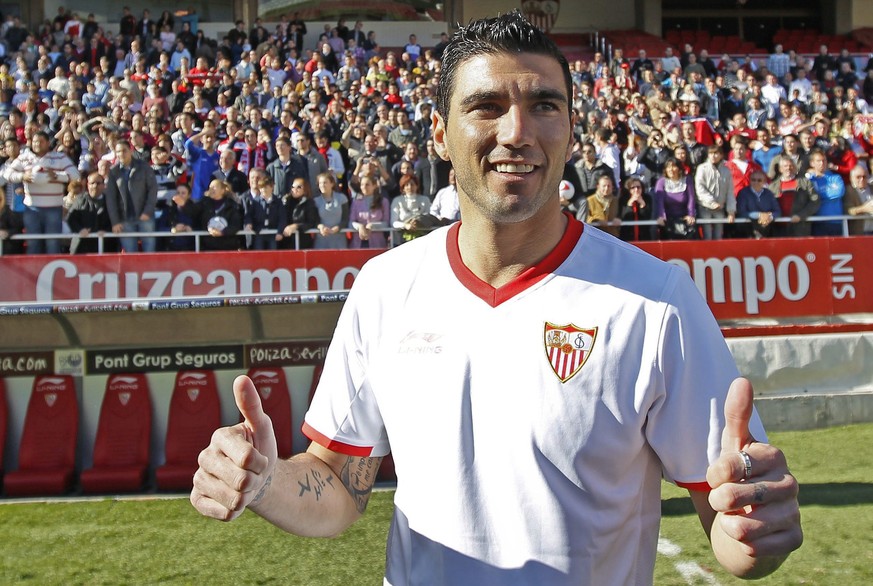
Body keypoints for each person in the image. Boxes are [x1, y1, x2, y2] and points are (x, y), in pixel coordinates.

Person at [191, 12, 802, 585]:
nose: (518, 132)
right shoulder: (385, 286)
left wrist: (751, 532)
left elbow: (725, 518)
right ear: (438, 134)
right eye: (486, 106)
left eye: (544, 106)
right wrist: (265, 481)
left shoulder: (656, 299)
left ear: (569, 128)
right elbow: (338, 482)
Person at [3, 130, 80, 254]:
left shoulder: (59, 157)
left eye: (40, 142)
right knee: (33, 243)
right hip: (32, 209)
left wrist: (56, 176)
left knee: (53, 244)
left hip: (54, 209)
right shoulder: (24, 157)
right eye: (35, 142)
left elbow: (76, 175)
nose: (37, 144)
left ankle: (53, 272)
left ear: (48, 143)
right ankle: (33, 272)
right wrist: (22, 176)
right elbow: (7, 174)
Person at [104, 141, 159, 253]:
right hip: (125, 219)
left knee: (149, 253)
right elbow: (111, 198)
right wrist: (115, 221)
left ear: (131, 151)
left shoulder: (144, 167)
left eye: (124, 150)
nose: (121, 154)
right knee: (130, 255)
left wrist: (147, 211)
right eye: (118, 151)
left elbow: (152, 190)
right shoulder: (114, 171)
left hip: (145, 217)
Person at [66, 172, 118, 254]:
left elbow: (116, 220)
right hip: (81, 247)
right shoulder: (79, 200)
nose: (95, 186)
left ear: (104, 185)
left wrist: (107, 231)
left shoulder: (111, 201)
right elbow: (71, 218)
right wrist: (80, 230)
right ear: (87, 185)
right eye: (92, 183)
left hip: (106, 247)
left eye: (98, 183)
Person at [767, 157, 821, 237]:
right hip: (778, 228)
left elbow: (815, 202)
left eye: (791, 166)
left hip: (800, 227)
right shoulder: (772, 187)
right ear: (780, 169)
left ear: (795, 168)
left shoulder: (806, 183)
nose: (788, 168)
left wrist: (801, 215)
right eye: (785, 166)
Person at [694, 145, 735, 240]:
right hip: (705, 207)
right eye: (711, 153)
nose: (713, 156)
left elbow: (730, 192)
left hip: (720, 207)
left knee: (718, 235)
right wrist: (712, 202)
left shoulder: (726, 171)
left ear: (721, 155)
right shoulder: (702, 168)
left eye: (716, 153)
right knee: (707, 235)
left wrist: (731, 211)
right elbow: (700, 188)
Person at [654, 157, 698, 240]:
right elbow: (659, 201)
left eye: (674, 166)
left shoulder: (687, 180)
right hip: (668, 219)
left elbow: (691, 199)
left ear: (679, 168)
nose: (671, 169)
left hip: (684, 217)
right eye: (668, 167)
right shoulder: (661, 182)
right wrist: (661, 216)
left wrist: (691, 215)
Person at [736, 170, 781, 239]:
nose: (756, 182)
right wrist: (759, 215)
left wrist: (768, 217)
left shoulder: (769, 194)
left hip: (766, 227)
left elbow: (778, 211)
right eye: (753, 180)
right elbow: (741, 212)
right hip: (747, 228)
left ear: (764, 182)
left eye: (759, 180)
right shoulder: (743, 193)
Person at [348, 174, 390, 249]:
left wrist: (372, 226)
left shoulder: (383, 201)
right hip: (358, 243)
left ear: (374, 186)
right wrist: (359, 226)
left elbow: (386, 223)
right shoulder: (356, 202)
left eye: (367, 184)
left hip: (377, 244)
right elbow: (351, 222)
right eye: (362, 185)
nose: (364, 187)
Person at [313, 172, 349, 249]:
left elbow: (346, 218)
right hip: (321, 240)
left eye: (325, 182)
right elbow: (314, 220)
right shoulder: (315, 201)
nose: (322, 185)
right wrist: (320, 226)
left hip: (339, 240)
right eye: (320, 183)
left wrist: (338, 227)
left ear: (332, 184)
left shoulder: (342, 198)